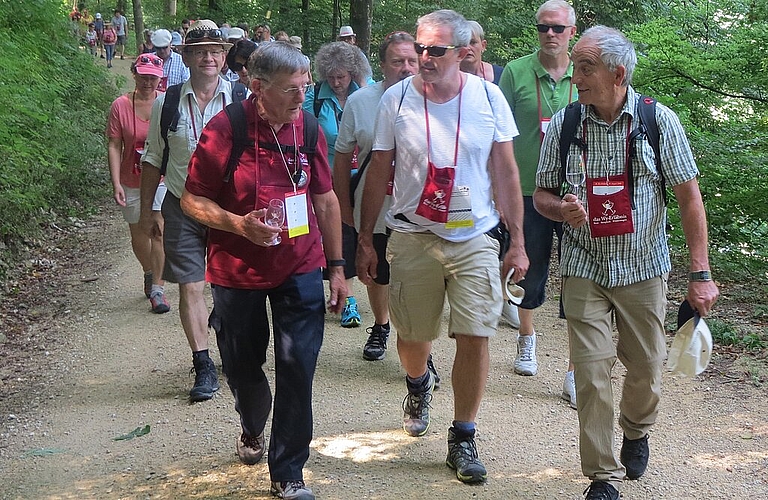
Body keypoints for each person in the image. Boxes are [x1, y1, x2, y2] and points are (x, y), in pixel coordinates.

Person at [533, 25, 719, 500]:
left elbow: (689, 199)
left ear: (618, 73)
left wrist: (701, 274)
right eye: (576, 66)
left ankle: (637, 428)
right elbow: (540, 196)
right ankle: (601, 476)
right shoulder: (565, 124)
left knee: (646, 367)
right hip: (584, 265)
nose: (575, 77)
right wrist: (562, 209)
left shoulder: (660, 122)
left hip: (643, 268)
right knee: (592, 374)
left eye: (585, 67)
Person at [357, 10, 528, 484]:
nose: (423, 57)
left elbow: (506, 171)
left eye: (435, 50)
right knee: (413, 337)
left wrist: (517, 241)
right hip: (413, 233)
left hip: (474, 234)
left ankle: (464, 434)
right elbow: (378, 169)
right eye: (420, 48)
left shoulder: (489, 97)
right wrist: (367, 238)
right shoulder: (396, 100)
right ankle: (417, 383)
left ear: (462, 52)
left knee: (475, 334)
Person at [180, 41, 345, 500]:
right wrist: (238, 226)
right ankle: (252, 420)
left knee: (298, 367)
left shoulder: (309, 127)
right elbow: (192, 200)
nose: (302, 95)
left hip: (300, 264)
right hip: (237, 270)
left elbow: (325, 200)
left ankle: (289, 471)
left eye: (306, 85)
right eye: (292, 89)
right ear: (257, 87)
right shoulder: (226, 128)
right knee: (242, 365)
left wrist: (336, 267)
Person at [139, 20, 237, 403]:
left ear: (225, 57)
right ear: (187, 56)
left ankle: (231, 342)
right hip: (181, 205)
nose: (208, 58)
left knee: (230, 288)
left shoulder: (240, 99)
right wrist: (150, 211)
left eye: (215, 51)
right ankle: (203, 363)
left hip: (230, 210)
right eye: (199, 51)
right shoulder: (167, 102)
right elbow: (152, 159)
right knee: (192, 286)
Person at [498, 0, 578, 404]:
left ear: (571, 33)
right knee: (529, 266)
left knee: (581, 277)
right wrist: (501, 190)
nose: (550, 34)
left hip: (577, 192)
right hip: (529, 188)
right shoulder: (514, 72)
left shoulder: (584, 72)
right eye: (543, 27)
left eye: (558, 28)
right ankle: (526, 337)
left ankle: (575, 367)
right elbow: (501, 136)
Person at [304, 41, 371, 329]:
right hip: (328, 176)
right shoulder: (315, 97)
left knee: (362, 232)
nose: (336, 82)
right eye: (331, 77)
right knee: (338, 233)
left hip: (365, 174)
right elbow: (303, 131)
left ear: (353, 73)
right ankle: (348, 297)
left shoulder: (367, 94)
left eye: (341, 76)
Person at [107, 54, 169, 314]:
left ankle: (158, 288)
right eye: (143, 76)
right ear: (135, 75)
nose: (147, 82)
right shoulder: (120, 106)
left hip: (162, 178)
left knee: (159, 230)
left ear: (160, 78)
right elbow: (114, 144)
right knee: (139, 233)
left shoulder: (167, 103)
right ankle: (148, 270)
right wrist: (116, 182)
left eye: (152, 77)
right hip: (131, 177)